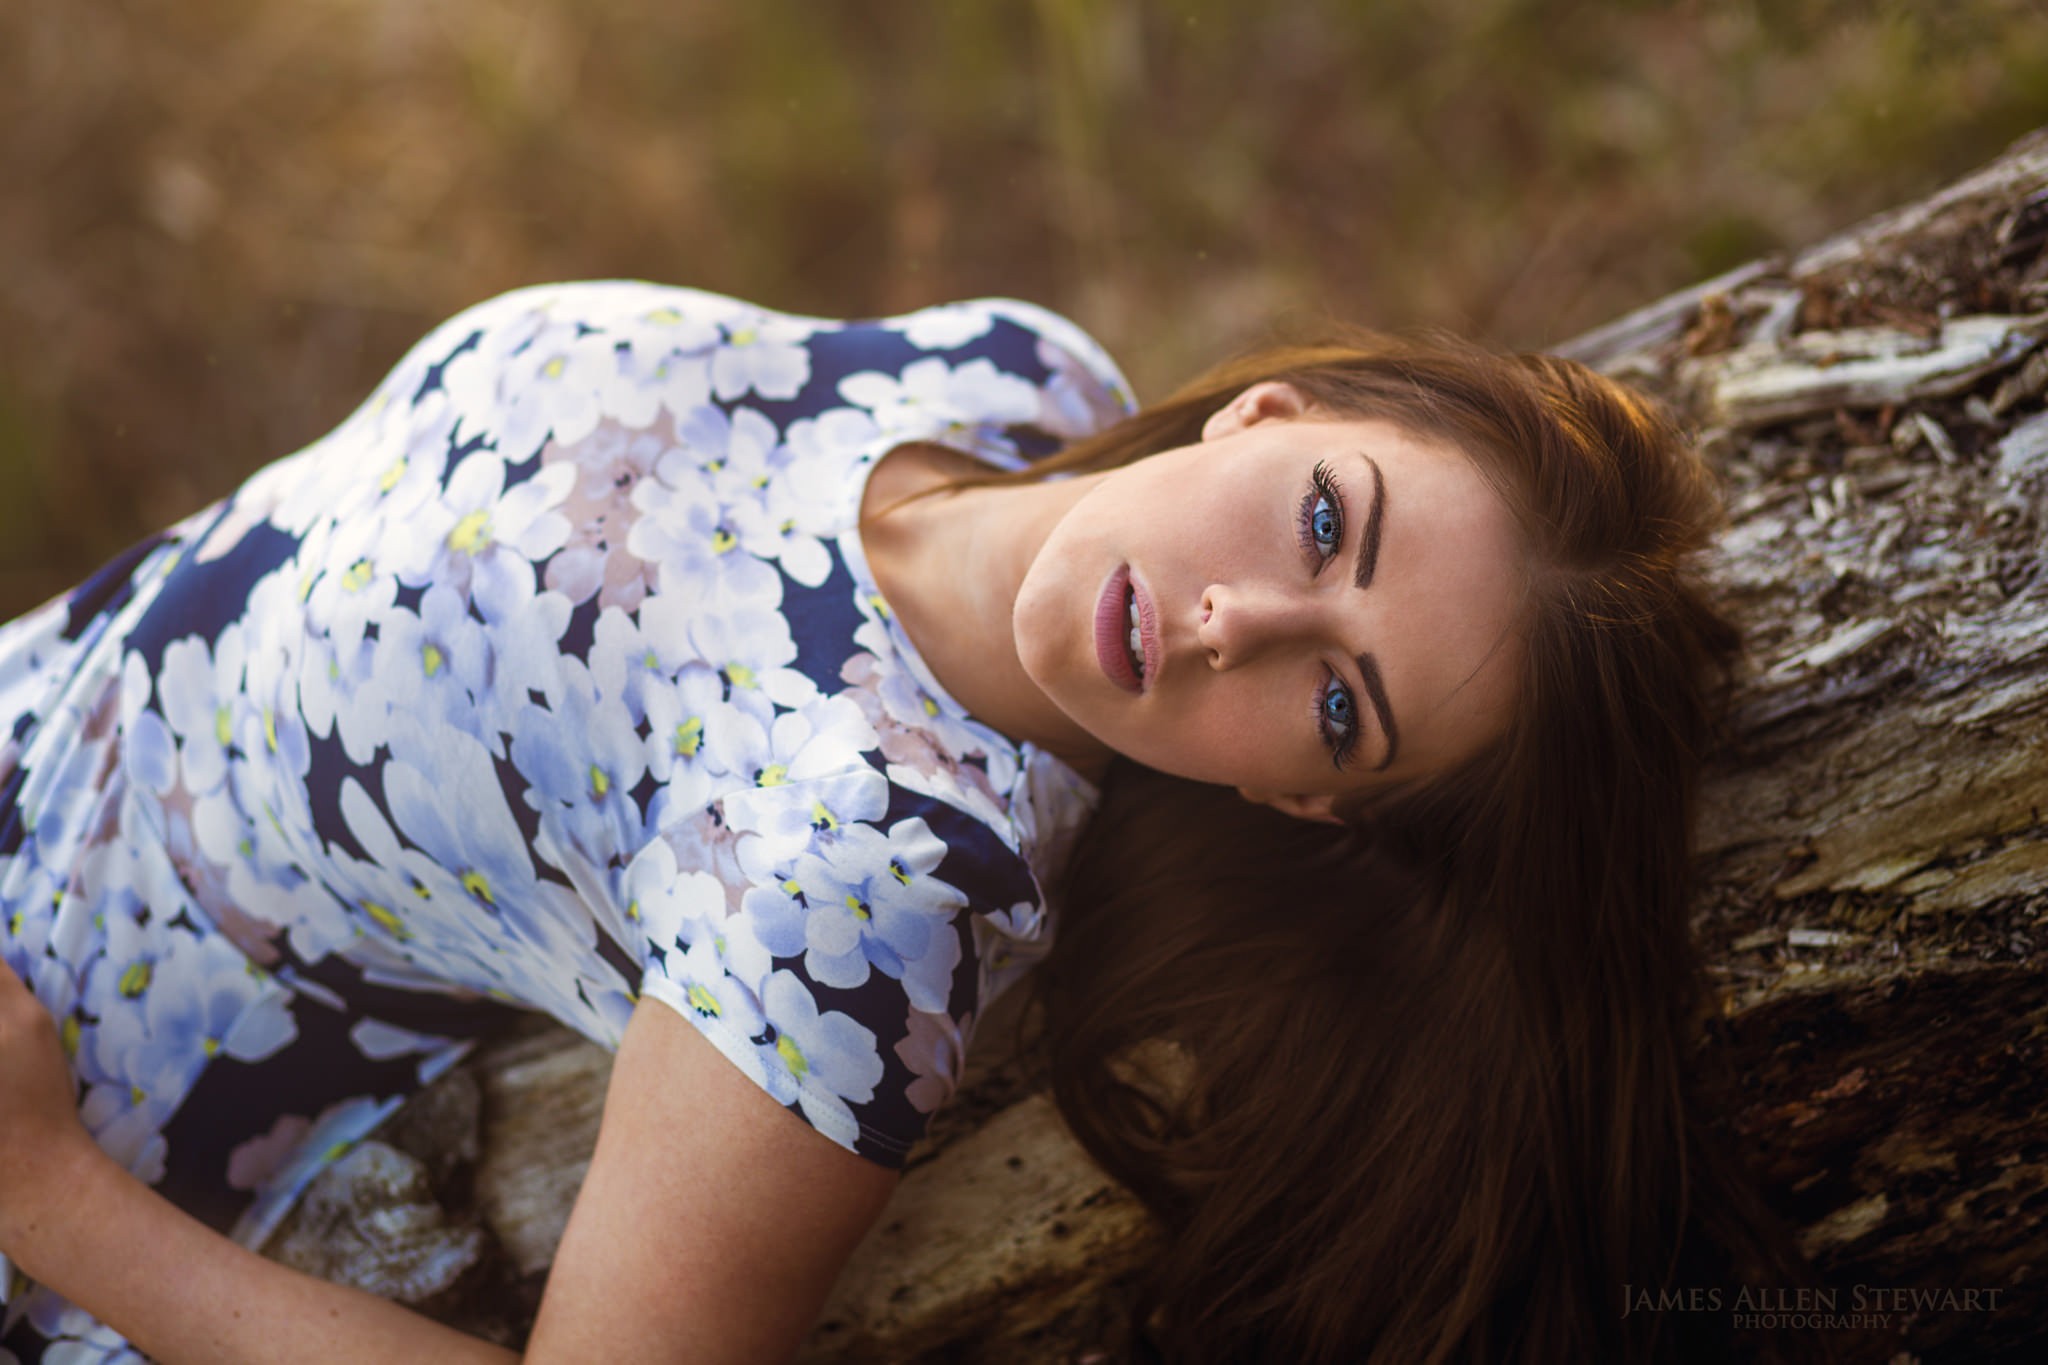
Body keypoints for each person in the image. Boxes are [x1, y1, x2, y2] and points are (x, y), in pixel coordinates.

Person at [0, 281, 1801, 1364]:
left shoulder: (875, 888)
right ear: (1273, 413)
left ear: (1302, 795)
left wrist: (48, 1197)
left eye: (1340, 703)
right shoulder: (1016, 376)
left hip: (57, 1038)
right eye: (1326, 523)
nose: (1235, 620)